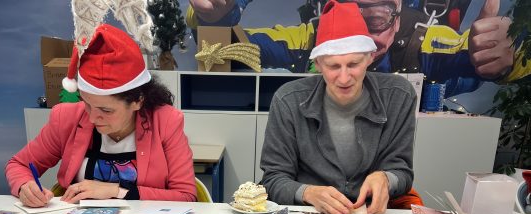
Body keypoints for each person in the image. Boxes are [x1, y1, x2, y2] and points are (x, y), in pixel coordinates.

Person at [6, 24, 197, 207]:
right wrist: (25, 186)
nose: (91, 118)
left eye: (106, 111)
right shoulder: (67, 117)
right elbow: (19, 165)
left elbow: (186, 196)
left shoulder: (165, 121)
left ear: (138, 101)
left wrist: (115, 190)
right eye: (87, 104)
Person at [260, 0, 416, 214]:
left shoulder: (398, 96)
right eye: (333, 66)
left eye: (353, 64)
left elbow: (403, 173)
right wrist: (308, 192)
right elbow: (272, 180)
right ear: (318, 64)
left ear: (370, 57)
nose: (344, 78)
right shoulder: (288, 100)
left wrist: (386, 178)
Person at [187, 0, 531, 97]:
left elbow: (480, 64)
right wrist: (216, 20)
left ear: (397, 13)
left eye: (377, 17)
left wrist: (510, 55)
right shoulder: (303, 40)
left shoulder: (430, 43)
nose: (348, 75)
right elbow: (217, 57)